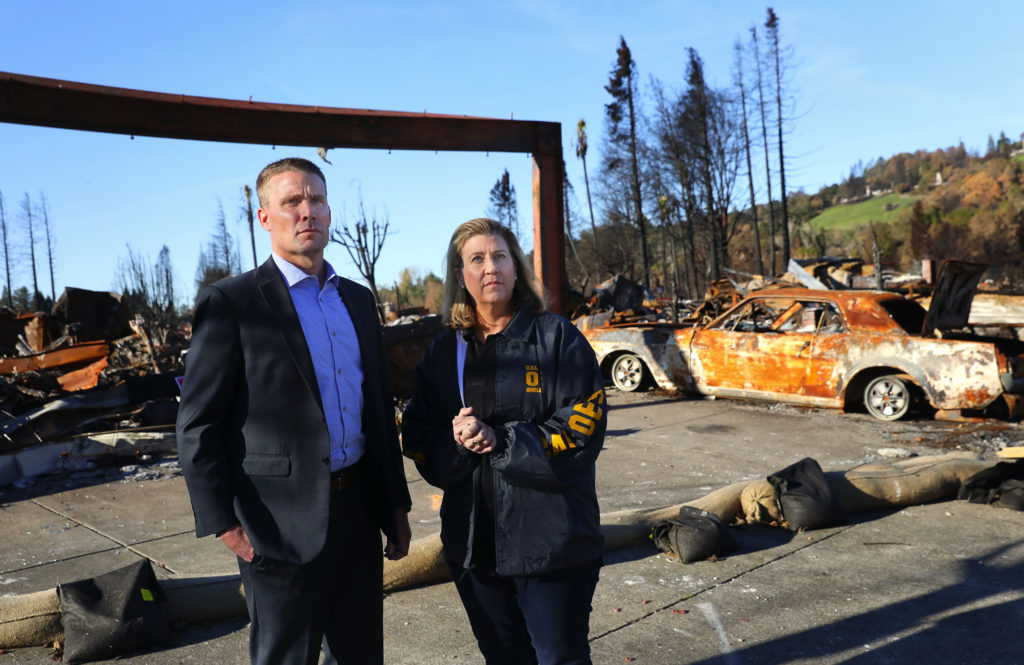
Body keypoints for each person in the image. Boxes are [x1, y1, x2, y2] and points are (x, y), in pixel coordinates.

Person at [176, 157, 412, 665]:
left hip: (358, 512)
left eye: (317, 200)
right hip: (276, 524)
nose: (308, 212)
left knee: (361, 654)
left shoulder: (357, 300)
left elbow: (376, 411)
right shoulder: (232, 303)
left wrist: (395, 506)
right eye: (292, 202)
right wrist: (225, 525)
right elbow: (198, 426)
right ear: (265, 218)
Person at [401, 218, 606, 665]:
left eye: (500, 256)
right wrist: (457, 443)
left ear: (516, 268)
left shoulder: (558, 339)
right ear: (461, 276)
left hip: (553, 548)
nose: (490, 267)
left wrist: (501, 441)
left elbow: (582, 430)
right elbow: (416, 434)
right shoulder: (443, 352)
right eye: (477, 259)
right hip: (474, 551)